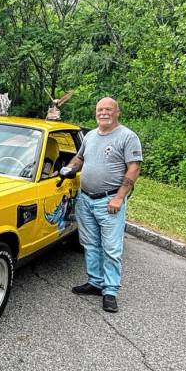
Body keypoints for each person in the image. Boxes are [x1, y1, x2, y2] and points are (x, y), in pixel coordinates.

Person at [64, 97, 142, 313]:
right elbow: (79, 159)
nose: (103, 113)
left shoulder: (127, 137)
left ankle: (110, 291)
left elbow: (134, 169)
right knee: (90, 244)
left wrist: (119, 197)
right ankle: (95, 282)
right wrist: (67, 169)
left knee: (111, 248)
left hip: (109, 201)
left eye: (108, 109)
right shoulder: (90, 136)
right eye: (100, 109)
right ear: (95, 112)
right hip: (86, 199)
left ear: (117, 112)